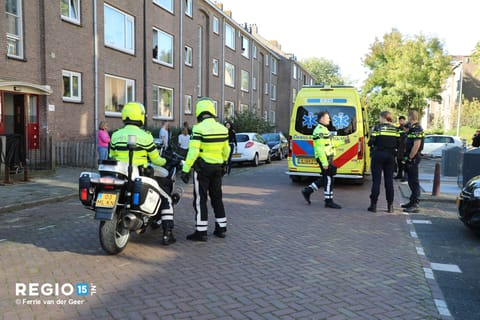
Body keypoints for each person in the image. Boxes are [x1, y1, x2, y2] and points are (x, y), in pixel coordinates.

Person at [109, 102, 176, 245]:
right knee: (166, 198)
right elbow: (156, 159)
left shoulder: (115, 136)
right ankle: (167, 234)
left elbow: (112, 156)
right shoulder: (145, 137)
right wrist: (166, 161)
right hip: (139, 176)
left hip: (119, 176)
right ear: (140, 117)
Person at [181, 98, 230, 241]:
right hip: (218, 168)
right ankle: (221, 228)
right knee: (217, 198)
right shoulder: (222, 129)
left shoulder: (198, 128)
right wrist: (224, 163)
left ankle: (201, 231)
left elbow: (193, 151)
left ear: (199, 113)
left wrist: (185, 169)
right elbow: (226, 149)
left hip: (202, 170)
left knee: (200, 199)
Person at [301, 111, 348, 209]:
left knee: (325, 178)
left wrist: (344, 141)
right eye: (327, 118)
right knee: (329, 179)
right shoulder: (319, 131)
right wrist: (324, 162)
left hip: (327, 157)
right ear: (321, 119)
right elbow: (320, 148)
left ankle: (308, 191)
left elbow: (330, 143)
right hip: (325, 158)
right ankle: (328, 201)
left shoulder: (324, 130)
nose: (329, 119)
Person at [367, 111, 400, 213]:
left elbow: (371, 142)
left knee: (376, 181)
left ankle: (373, 205)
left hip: (378, 155)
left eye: (379, 117)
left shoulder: (377, 128)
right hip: (390, 156)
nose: (379, 119)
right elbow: (398, 143)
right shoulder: (396, 129)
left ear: (383, 117)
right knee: (389, 181)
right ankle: (390, 206)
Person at [401, 110, 424, 213]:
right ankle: (411, 201)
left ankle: (415, 203)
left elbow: (416, 145)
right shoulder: (412, 128)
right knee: (410, 181)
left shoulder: (417, 129)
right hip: (410, 158)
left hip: (413, 158)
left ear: (410, 117)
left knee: (414, 181)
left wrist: (410, 157)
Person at [394, 116, 408, 181]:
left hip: (405, 149)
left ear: (404, 121)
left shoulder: (408, 128)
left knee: (404, 162)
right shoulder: (398, 129)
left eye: (402, 120)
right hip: (399, 148)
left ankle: (405, 176)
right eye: (400, 120)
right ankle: (399, 175)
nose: (401, 122)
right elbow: (396, 138)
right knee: (399, 162)